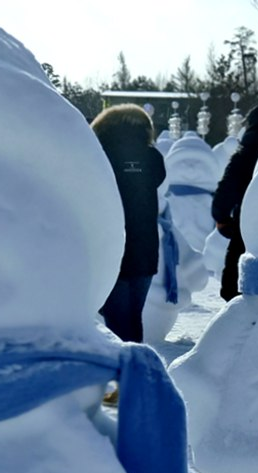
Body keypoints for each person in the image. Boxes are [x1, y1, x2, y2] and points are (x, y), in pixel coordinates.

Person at [91, 104, 166, 342]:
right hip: (145, 250)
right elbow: (158, 179)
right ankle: (137, 369)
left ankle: (122, 374)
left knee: (116, 321)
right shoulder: (152, 157)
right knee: (134, 318)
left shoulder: (99, 155)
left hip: (111, 247)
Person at [211, 102, 258, 301]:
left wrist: (221, 216)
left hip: (246, 222)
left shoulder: (245, 152)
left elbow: (228, 187)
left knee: (234, 284)